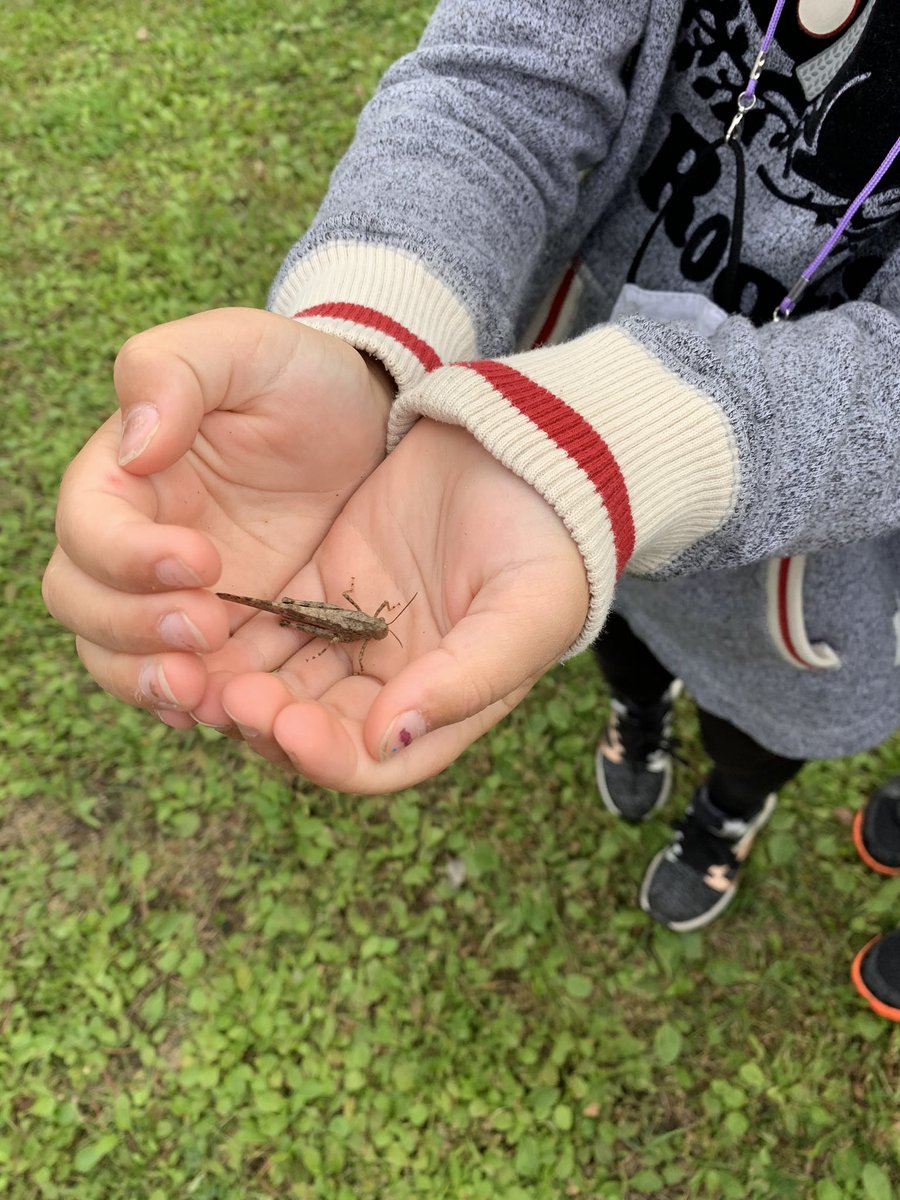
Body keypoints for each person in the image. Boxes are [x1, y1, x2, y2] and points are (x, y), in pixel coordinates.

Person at [42, 1, 900, 1014]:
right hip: (524, 485)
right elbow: (496, 81)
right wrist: (367, 345)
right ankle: (635, 721)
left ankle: (723, 815)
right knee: (619, 646)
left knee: (755, 731)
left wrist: (629, 443)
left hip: (801, 597)